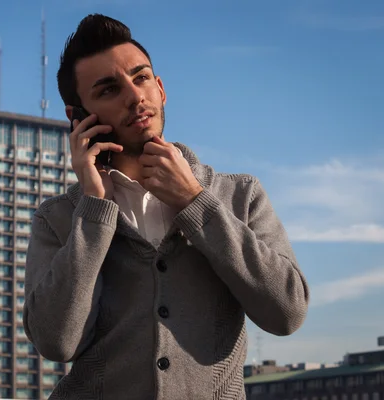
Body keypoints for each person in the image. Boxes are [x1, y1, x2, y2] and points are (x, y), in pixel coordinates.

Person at [23, 13, 310, 400]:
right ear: (78, 118)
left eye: (141, 78)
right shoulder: (57, 217)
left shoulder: (239, 195)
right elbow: (56, 342)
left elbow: (287, 312)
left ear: (160, 88)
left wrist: (195, 202)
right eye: (108, 90)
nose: (134, 96)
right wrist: (93, 208)